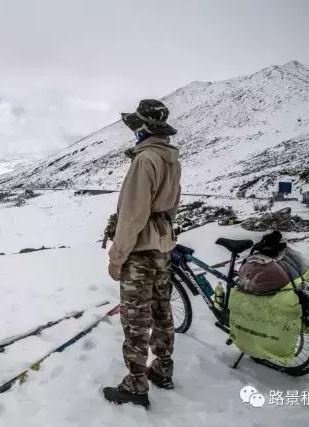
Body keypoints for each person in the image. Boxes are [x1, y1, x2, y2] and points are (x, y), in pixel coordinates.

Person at [103, 99, 182, 408]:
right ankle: (163, 368)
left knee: (136, 319)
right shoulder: (171, 158)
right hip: (163, 247)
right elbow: (171, 208)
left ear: (143, 128)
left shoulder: (145, 159)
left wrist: (117, 256)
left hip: (140, 252)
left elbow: (133, 216)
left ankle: (136, 384)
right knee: (162, 311)